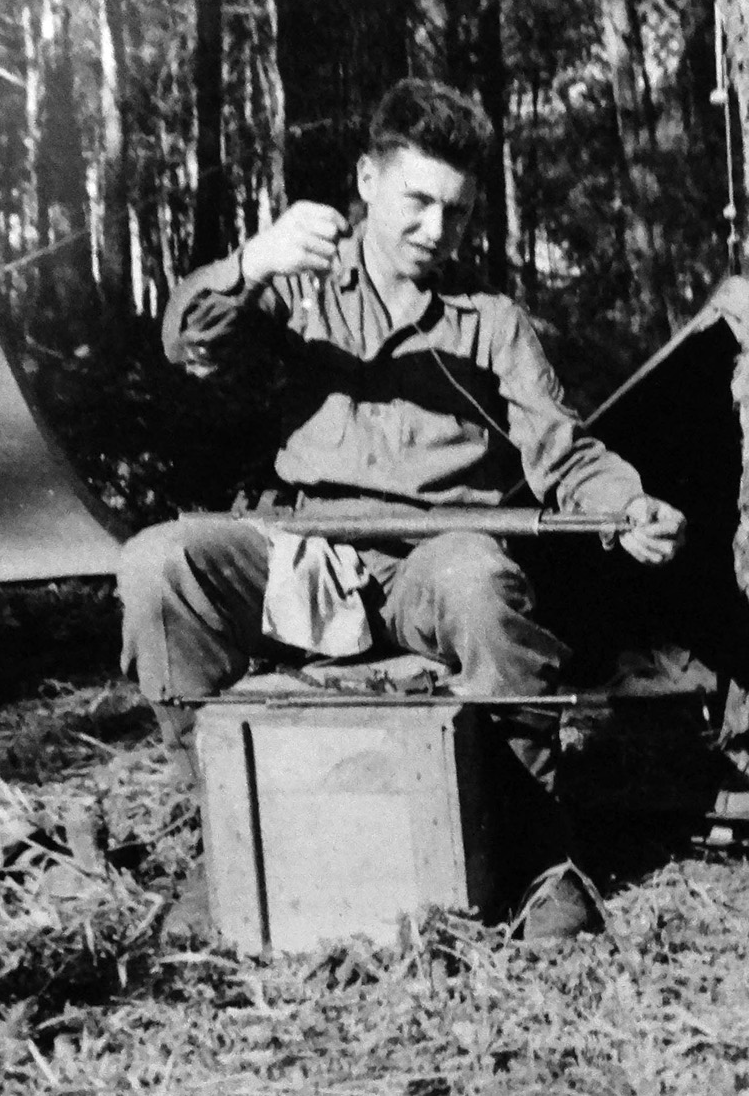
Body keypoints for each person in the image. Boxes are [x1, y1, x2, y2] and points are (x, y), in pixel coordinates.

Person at [118, 78, 686, 940]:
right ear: (368, 179)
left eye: (455, 213)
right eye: (417, 201)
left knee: (479, 581)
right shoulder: (298, 288)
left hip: (436, 555)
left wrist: (629, 505)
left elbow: (563, 453)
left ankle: (535, 859)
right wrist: (251, 261)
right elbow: (184, 340)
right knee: (159, 562)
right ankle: (225, 840)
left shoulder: (490, 324)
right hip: (307, 552)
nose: (434, 231)